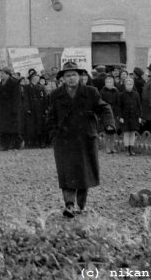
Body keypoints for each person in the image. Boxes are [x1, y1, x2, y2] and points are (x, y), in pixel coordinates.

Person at [47, 62, 115, 218]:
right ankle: (69, 205)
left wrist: (109, 124)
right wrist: (54, 135)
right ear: (62, 78)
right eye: (67, 76)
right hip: (64, 140)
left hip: (85, 139)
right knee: (67, 172)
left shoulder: (91, 92)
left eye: (73, 75)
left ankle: (81, 204)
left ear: (80, 76)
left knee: (84, 173)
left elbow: (104, 108)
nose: (71, 79)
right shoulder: (56, 95)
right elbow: (50, 117)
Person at [0, 67, 22, 151]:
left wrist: (15, 109)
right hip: (2, 109)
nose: (1, 75)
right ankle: (4, 145)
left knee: (12, 128)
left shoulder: (14, 83)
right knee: (2, 128)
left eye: (2, 73)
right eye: (0, 73)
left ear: (7, 74)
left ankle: (17, 143)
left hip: (11, 110)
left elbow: (17, 98)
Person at [118, 77, 142, 156]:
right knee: (126, 133)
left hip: (134, 116)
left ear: (133, 85)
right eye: (127, 84)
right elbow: (119, 107)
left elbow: (139, 106)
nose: (129, 86)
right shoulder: (121, 95)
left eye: (131, 84)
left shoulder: (136, 94)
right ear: (125, 85)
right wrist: (120, 117)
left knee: (132, 133)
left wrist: (139, 116)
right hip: (125, 117)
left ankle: (131, 148)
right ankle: (126, 149)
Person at [100, 76, 120, 154]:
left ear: (113, 83)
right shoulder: (102, 91)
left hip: (114, 113)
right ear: (105, 83)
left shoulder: (116, 91)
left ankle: (112, 146)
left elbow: (118, 103)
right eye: (107, 82)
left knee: (113, 131)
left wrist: (118, 113)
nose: (109, 84)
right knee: (107, 131)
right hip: (106, 113)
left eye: (110, 82)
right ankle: (107, 147)